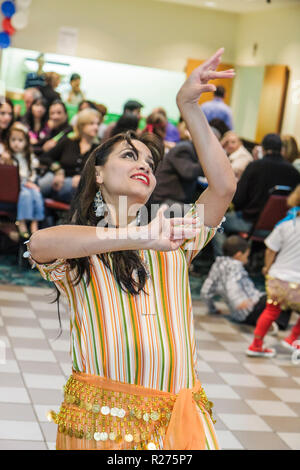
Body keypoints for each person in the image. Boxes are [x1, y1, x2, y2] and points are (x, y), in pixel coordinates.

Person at [23, 48, 236, 450]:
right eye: (129, 155)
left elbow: (223, 187)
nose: (145, 165)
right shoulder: (82, 248)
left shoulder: (174, 235)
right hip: (104, 420)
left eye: (151, 163)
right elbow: (38, 243)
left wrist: (188, 106)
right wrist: (137, 237)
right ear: (98, 173)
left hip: (178, 415)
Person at [212, 133, 300, 257]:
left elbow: (238, 199)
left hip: (249, 221)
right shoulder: (294, 173)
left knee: (215, 222)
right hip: (279, 225)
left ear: (262, 149)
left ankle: (224, 261)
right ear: (281, 149)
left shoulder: (255, 166)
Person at [247, 185, 300, 357]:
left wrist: (267, 268)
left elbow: (270, 249)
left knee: (270, 311)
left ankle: (256, 345)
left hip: (278, 277)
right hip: (298, 282)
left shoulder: (285, 225)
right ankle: (292, 339)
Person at [201, 235, 291, 330]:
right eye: (246, 255)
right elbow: (232, 284)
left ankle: (266, 321)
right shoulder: (234, 267)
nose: (247, 259)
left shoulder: (217, 265)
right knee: (284, 294)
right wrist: (238, 301)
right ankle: (274, 323)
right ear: (238, 255)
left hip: (239, 315)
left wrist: (212, 309)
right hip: (250, 309)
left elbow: (205, 292)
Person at [37, 108, 100, 204]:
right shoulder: (68, 142)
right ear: (82, 126)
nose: (96, 127)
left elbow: (100, 173)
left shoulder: (98, 149)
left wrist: (83, 178)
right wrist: (58, 170)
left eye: (97, 124)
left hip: (78, 189)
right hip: (57, 179)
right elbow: (45, 157)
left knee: (70, 186)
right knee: (39, 188)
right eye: (91, 124)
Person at [1, 122, 44, 238]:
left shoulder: (28, 156)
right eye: (13, 140)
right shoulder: (8, 156)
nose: (16, 144)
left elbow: (32, 172)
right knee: (25, 195)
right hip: (15, 186)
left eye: (20, 141)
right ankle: (22, 221)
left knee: (37, 194)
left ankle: (35, 222)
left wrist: (30, 181)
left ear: (26, 142)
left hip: (27, 183)